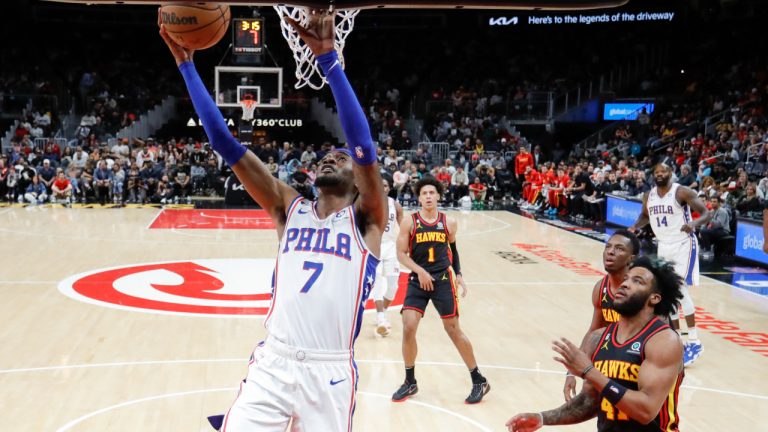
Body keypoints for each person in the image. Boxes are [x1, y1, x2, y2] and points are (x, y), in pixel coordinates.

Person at [160, 9, 387, 431]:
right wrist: (187, 66)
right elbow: (224, 143)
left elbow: (363, 147)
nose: (330, 158)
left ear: (359, 182)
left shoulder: (367, 221)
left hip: (330, 372)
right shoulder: (289, 207)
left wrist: (329, 62)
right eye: (325, 156)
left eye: (340, 158)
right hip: (274, 364)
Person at [507, 256, 685, 432]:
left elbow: (646, 411)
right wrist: (542, 418)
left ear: (654, 298)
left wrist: (589, 371)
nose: (625, 284)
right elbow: (590, 402)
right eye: (626, 279)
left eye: (637, 281)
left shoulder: (663, 341)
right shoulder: (599, 338)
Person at [392, 177, 490, 404]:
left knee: (453, 329)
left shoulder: (449, 222)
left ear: (438, 196)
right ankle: (410, 381)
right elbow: (401, 254)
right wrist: (420, 271)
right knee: (408, 327)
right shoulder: (409, 222)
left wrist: (459, 274)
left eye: (431, 193)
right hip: (418, 280)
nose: (428, 196)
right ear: (419, 198)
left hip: (443, 281)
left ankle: (479, 380)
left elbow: (453, 250)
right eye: (424, 193)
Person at [629, 163, 711, 366]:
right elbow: (645, 216)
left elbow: (706, 213)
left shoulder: (681, 191)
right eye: (656, 172)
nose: (659, 174)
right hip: (664, 245)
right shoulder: (649, 196)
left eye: (663, 171)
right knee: (667, 292)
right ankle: (678, 341)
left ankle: (694, 341)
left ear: (670, 173)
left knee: (680, 290)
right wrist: (635, 226)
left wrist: (693, 223)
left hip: (683, 244)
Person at [563, 230, 640, 401]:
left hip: (639, 364)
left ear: (631, 258)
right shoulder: (601, 288)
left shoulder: (639, 291)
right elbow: (593, 331)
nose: (610, 252)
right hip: (614, 361)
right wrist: (571, 371)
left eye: (619, 248)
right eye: (608, 246)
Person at [370, 178, 403, 337]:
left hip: (390, 247)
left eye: (385, 185)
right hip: (374, 246)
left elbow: (403, 228)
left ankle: (382, 312)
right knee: (377, 282)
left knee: (393, 287)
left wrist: (407, 245)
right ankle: (381, 318)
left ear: (389, 188)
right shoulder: (368, 203)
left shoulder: (395, 205)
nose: (382, 188)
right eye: (380, 185)